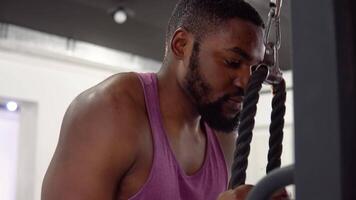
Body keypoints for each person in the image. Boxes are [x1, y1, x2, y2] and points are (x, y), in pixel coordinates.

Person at [42, 0, 288, 199]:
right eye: (232, 62)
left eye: (254, 70)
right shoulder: (111, 110)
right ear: (181, 45)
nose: (246, 83)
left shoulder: (222, 138)